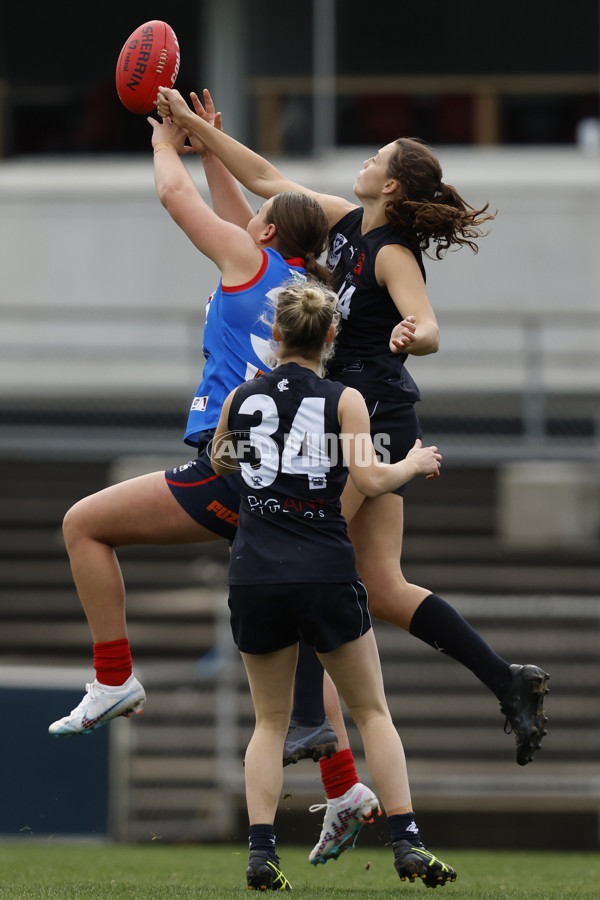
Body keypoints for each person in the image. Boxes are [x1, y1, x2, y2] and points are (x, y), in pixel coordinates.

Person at [156, 87, 550, 861]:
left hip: (374, 416)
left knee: (316, 547)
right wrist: (198, 131)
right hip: (340, 413)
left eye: (377, 159)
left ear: (393, 186)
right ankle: (507, 681)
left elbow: (428, 323)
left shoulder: (392, 252)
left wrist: (416, 335)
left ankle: (309, 719)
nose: (365, 161)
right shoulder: (341, 222)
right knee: (381, 583)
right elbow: (268, 177)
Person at [48, 97, 335, 738]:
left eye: (257, 216)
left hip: (230, 468)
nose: (247, 219)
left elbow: (178, 201)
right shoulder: (304, 289)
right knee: (314, 648)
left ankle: (115, 678)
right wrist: (210, 148)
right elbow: (243, 220)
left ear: (264, 234)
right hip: (286, 481)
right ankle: (345, 785)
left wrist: (163, 144)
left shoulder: (251, 262)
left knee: (83, 526)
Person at [211, 278, 456, 891]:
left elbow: (221, 456)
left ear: (274, 333)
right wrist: (415, 463)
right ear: (329, 337)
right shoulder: (344, 397)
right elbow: (370, 481)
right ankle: (407, 844)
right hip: (322, 565)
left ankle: (262, 853)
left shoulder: (241, 395)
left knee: (270, 723)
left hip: (257, 570)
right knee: (371, 711)